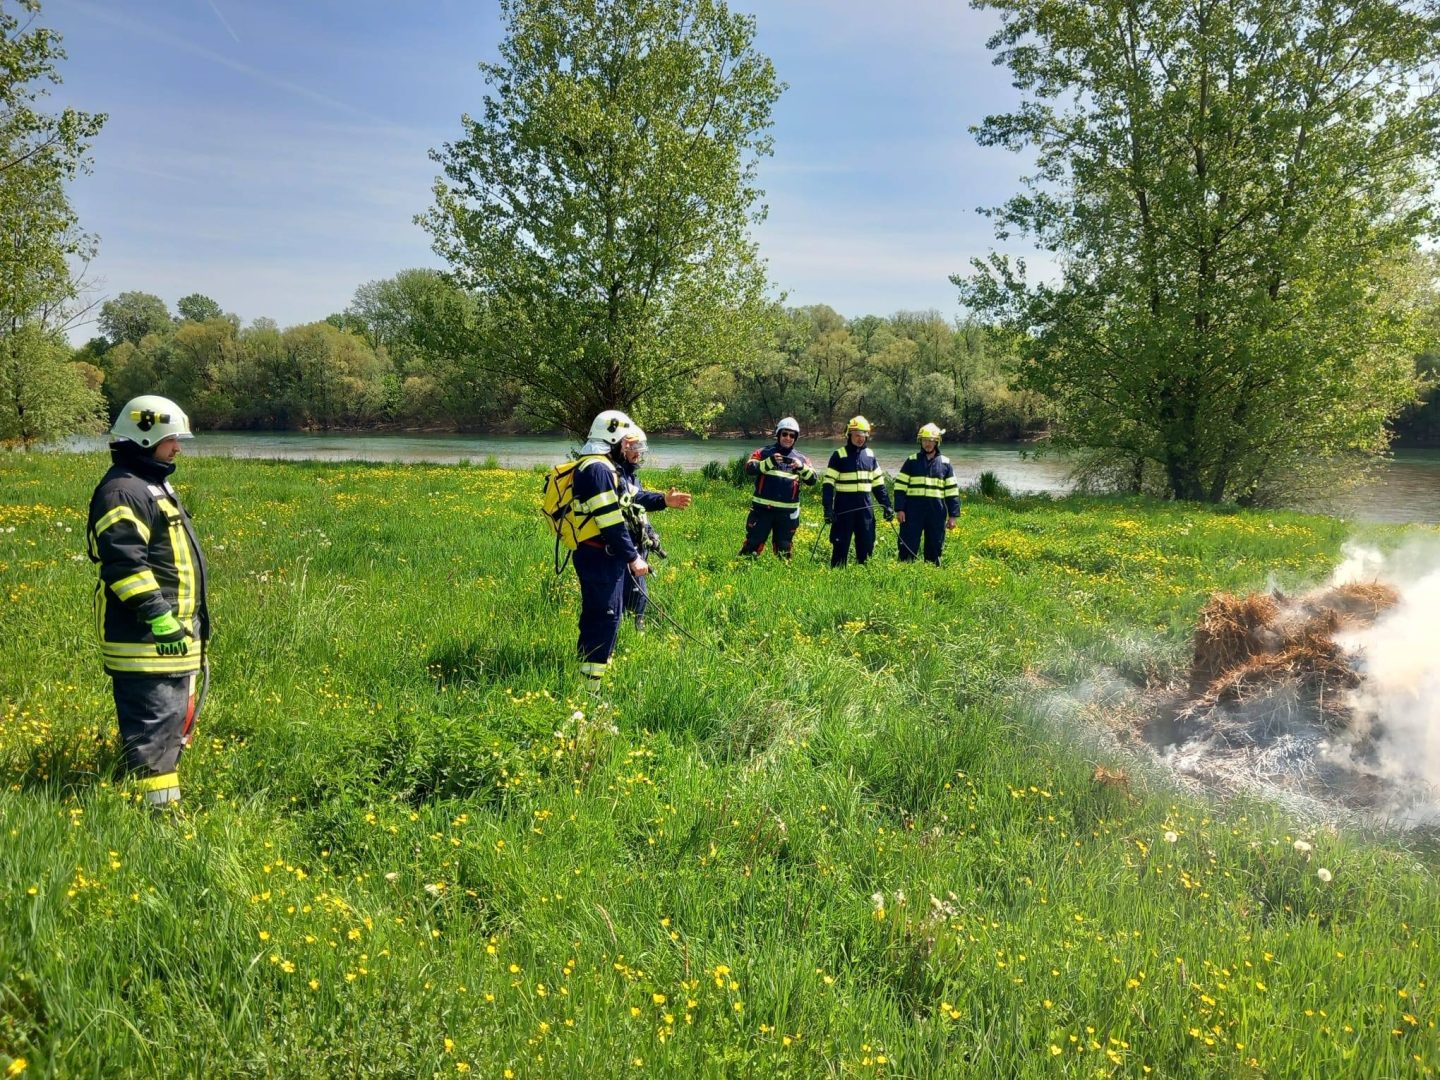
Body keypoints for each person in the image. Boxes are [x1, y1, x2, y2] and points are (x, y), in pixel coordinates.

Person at [86, 395, 210, 807]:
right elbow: (124, 565)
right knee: (154, 732)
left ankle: (156, 803)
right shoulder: (123, 491)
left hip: (171, 638)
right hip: (145, 640)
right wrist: (159, 617)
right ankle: (159, 818)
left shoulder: (150, 484)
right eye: (171, 440)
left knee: (171, 726)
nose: (177, 449)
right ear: (145, 439)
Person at [569, 410, 689, 691]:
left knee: (603, 615)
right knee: (605, 617)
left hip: (605, 556)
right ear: (611, 438)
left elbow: (632, 496)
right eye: (625, 441)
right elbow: (610, 522)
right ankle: (589, 688)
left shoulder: (607, 468)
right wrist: (633, 557)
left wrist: (663, 500)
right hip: (599, 557)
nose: (628, 447)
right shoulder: (598, 469)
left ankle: (591, 673)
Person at [616, 428, 691, 632]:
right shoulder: (616, 475)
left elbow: (637, 509)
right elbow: (635, 499)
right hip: (623, 547)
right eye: (634, 447)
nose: (638, 453)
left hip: (636, 545)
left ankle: (635, 631)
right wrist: (663, 500)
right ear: (620, 447)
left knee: (638, 595)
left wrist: (649, 532)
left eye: (641, 448)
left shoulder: (631, 476)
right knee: (627, 597)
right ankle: (628, 635)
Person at [738, 417, 817, 559]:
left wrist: (802, 468)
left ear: (795, 438)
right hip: (762, 510)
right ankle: (742, 567)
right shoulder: (763, 452)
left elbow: (813, 480)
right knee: (753, 543)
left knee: (784, 548)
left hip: (788, 513)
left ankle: (783, 572)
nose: (788, 438)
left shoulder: (802, 459)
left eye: (792, 435)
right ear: (778, 434)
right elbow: (749, 468)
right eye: (784, 434)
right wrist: (769, 462)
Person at [820, 415, 893, 567]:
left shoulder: (870, 455)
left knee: (866, 544)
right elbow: (828, 484)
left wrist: (887, 506)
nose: (860, 438)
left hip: (865, 509)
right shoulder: (839, 455)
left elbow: (878, 485)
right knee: (840, 545)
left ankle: (863, 574)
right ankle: (837, 574)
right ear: (849, 434)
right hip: (843, 509)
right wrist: (828, 509)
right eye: (857, 435)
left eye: (864, 435)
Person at [894, 423, 961, 564]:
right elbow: (899, 487)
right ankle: (905, 569)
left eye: (931, 440)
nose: (928, 444)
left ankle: (931, 569)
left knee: (935, 544)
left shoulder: (945, 463)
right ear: (920, 441)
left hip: (936, 512)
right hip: (912, 511)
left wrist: (953, 516)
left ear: (937, 442)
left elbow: (952, 492)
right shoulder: (911, 461)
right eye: (925, 440)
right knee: (907, 543)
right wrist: (899, 509)